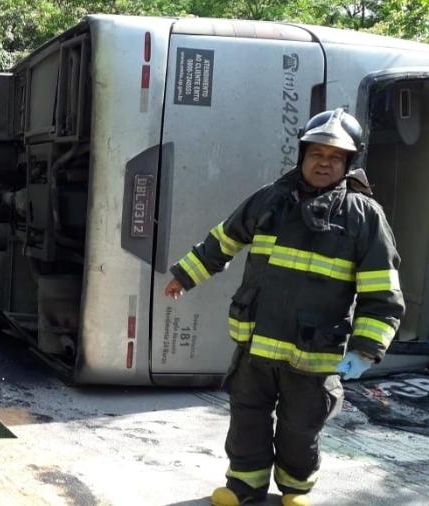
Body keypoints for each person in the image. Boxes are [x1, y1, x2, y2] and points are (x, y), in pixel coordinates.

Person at [163, 109, 404, 506]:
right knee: (247, 419)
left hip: (314, 355)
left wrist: (365, 349)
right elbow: (224, 239)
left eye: (335, 157)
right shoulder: (270, 200)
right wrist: (185, 275)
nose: (324, 163)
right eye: (317, 154)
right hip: (256, 345)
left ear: (348, 163)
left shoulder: (364, 217)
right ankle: (245, 486)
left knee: (300, 429)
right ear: (302, 156)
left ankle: (295, 491)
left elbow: (383, 292)